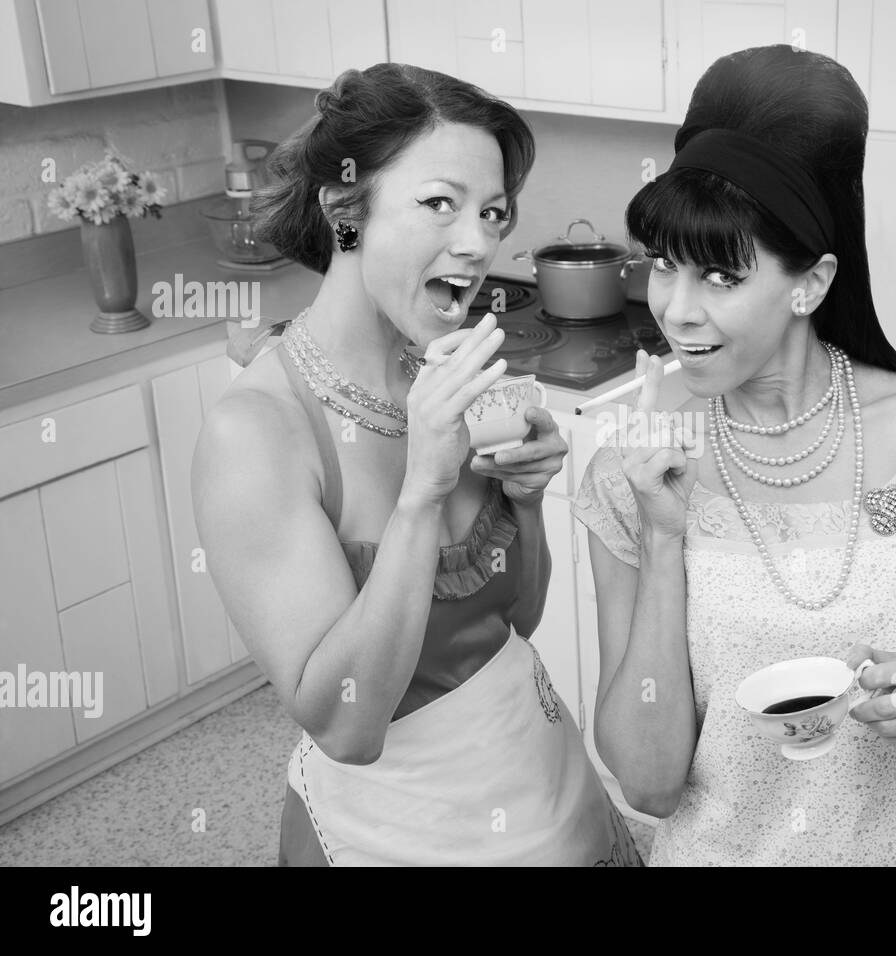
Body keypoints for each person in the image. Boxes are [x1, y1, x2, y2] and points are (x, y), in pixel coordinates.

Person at [572, 45, 896, 865]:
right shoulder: (635, 472)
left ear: (811, 283)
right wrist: (662, 536)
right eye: (662, 267)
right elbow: (648, 786)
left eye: (720, 276)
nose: (676, 312)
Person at [194, 63, 640, 866]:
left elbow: (512, 621)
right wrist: (424, 492)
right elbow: (348, 725)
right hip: (396, 837)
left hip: (548, 795)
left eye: (493, 213)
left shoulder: (444, 374)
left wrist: (526, 498)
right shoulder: (257, 434)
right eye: (439, 203)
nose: (478, 243)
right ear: (345, 210)